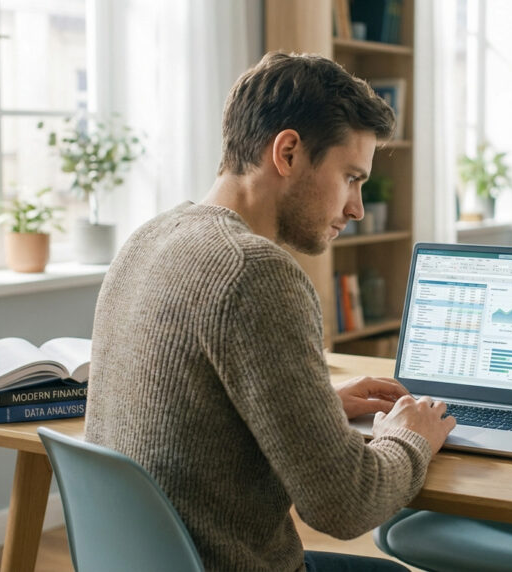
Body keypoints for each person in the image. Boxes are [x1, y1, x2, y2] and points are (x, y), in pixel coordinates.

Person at [85, 52, 456, 571]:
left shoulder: (147, 240)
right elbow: (346, 504)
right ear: (288, 152)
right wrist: (410, 437)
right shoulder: (253, 272)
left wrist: (317, 408)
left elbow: (189, 416)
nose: (356, 208)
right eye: (351, 177)